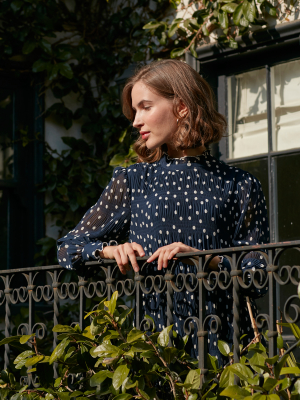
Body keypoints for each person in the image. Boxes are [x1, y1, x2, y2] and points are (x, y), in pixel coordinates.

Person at [57, 59, 269, 364]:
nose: (135, 122)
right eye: (134, 111)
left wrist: (205, 258)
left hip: (227, 355)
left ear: (181, 107)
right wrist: (109, 251)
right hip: (153, 355)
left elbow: (258, 274)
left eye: (145, 107)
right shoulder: (131, 181)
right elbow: (68, 248)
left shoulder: (239, 184)